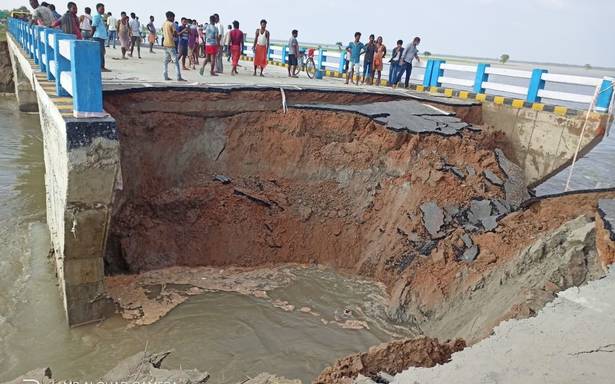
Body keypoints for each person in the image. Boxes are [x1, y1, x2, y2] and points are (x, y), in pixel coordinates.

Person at [162, 11, 185, 81]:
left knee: (165, 62)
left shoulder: (164, 24)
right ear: (169, 17)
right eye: (173, 17)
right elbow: (176, 34)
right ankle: (178, 76)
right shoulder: (172, 24)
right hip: (171, 44)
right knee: (176, 62)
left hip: (165, 44)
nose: (174, 19)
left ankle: (165, 76)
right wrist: (183, 31)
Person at [91, 3, 110, 72]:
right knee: (101, 52)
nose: (103, 10)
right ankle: (101, 67)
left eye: (103, 8)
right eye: (102, 9)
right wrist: (91, 36)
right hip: (98, 36)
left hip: (101, 37)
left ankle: (101, 66)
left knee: (102, 52)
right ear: (97, 9)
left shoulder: (100, 16)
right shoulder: (96, 16)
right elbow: (93, 26)